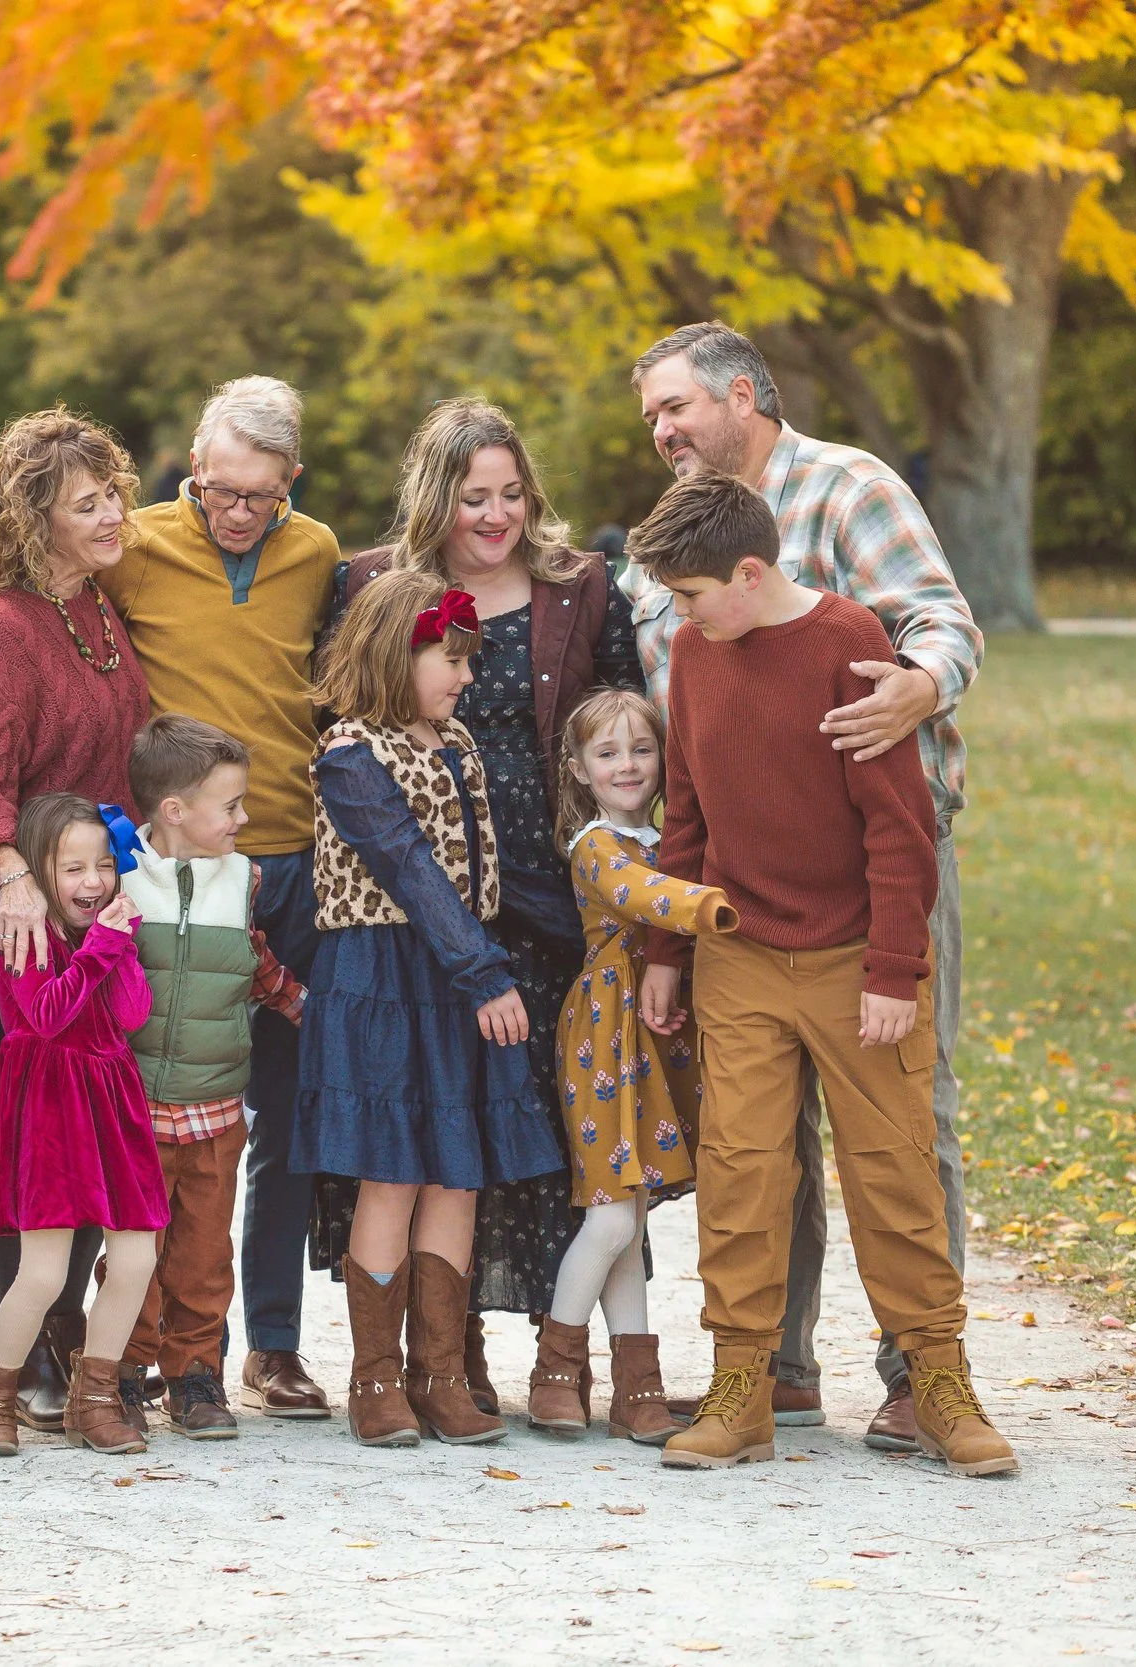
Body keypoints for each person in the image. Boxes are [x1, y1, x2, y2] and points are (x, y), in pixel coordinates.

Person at [626, 322, 983, 1448]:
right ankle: (766, 1371)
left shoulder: (846, 493)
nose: (663, 432)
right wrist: (671, 944)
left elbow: (942, 622)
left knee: (900, 1131)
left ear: (742, 394)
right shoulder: (682, 576)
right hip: (742, 900)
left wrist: (915, 688)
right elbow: (684, 786)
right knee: (749, 1147)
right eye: (649, 420)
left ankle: (917, 1373)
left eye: (676, 408)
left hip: (873, 875)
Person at [332, 398, 641, 1409]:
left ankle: (564, 1362)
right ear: (437, 496)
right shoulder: (380, 589)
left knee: (545, 1128)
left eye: (511, 493)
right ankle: (436, 1361)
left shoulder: (578, 587)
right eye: (474, 495)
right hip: (416, 904)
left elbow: (625, 719)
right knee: (424, 1133)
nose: (496, 514)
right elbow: (348, 710)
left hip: (546, 884)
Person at [102, 376, 340, 1420]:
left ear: (292, 482)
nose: (236, 512)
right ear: (193, 473)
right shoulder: (140, 544)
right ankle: (123, 1347)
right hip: (169, 872)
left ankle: (271, 1345)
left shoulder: (317, 552)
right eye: (218, 490)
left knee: (279, 1117)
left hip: (287, 857)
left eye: (259, 495)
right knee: (152, 1116)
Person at [294, 569, 563, 1448]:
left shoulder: (458, 744)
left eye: (467, 661)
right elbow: (409, 866)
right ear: (390, 653)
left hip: (456, 967)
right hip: (385, 976)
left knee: (458, 1171)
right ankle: (373, 1376)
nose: (465, 678)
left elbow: (487, 874)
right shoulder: (350, 756)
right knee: (393, 1172)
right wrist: (485, 975)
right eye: (448, 660)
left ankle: (440, 1370)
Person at [0, 408, 155, 1432]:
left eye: (112, 491)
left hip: (99, 902)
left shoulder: (101, 611)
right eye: (88, 503)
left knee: (97, 1124)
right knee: (29, 1135)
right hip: (29, 918)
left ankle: (78, 1346)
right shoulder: (1, 627)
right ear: (38, 519)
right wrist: (11, 876)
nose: (114, 512)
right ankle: (24, 1348)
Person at [531, 688, 737, 1444]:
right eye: (608, 752)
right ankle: (556, 1366)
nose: (627, 765)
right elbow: (639, 896)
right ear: (580, 768)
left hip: (659, 1043)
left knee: (630, 1215)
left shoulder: (668, 840)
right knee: (613, 1213)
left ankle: (636, 1386)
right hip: (606, 1037)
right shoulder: (596, 844)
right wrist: (715, 899)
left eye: (642, 749)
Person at [112, 716, 308, 1439]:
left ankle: (195, 1377)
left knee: (203, 1254)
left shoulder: (244, 879)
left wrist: (304, 1008)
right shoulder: (121, 875)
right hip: (134, 1110)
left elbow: (255, 965)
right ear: (174, 811)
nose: (243, 817)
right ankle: (120, 1373)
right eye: (229, 806)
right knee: (134, 1253)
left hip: (217, 1109)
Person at [0, 795, 168, 1458]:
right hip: (48, 1102)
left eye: (104, 866)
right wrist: (102, 946)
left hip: (112, 1098)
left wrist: (120, 947)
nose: (92, 882)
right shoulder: (23, 935)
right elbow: (47, 1015)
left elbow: (133, 1013)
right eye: (73, 867)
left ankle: (97, 1393)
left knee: (137, 1254)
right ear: (40, 871)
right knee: (45, 1272)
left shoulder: (99, 933)